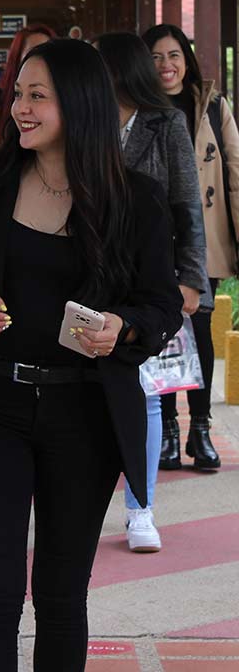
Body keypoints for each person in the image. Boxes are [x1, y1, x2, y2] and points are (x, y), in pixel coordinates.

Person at [0, 38, 183, 671]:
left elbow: (162, 306)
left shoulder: (134, 198)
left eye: (38, 96)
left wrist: (123, 328)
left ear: (81, 104)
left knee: (62, 598)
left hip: (83, 414)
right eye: (18, 96)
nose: (20, 110)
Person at [96, 31, 209, 553]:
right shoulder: (82, 121)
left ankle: (141, 509)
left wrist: (190, 279)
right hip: (88, 273)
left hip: (151, 275)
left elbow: (188, 204)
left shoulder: (166, 122)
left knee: (146, 392)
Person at [143, 23, 239, 471]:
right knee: (161, 333)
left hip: (205, 237)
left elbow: (236, 172)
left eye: (174, 54)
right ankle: (167, 429)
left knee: (199, 331)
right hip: (156, 238)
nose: (166, 65)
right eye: (157, 56)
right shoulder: (138, 108)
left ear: (187, 58)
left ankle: (199, 429)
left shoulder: (213, 105)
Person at [0, 23, 57, 150]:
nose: (40, 61)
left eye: (48, 54)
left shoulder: (65, 99)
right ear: (17, 58)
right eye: (32, 54)